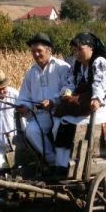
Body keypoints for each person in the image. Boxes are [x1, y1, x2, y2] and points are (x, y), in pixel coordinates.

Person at [52, 32, 106, 172]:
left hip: (105, 103)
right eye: (74, 50)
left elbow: (100, 84)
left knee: (74, 123)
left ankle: (74, 162)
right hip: (84, 100)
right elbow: (71, 83)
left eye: (80, 49)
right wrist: (66, 92)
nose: (76, 53)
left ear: (91, 48)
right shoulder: (77, 65)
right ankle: (61, 164)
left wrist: (96, 99)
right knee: (61, 120)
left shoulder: (99, 61)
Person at [17, 33, 70, 166]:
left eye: (39, 51)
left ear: (48, 50)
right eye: (33, 51)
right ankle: (52, 161)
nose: (36, 54)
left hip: (61, 112)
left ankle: (63, 163)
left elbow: (69, 88)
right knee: (31, 131)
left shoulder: (62, 67)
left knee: (58, 128)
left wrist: (53, 101)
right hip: (41, 115)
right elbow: (24, 96)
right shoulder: (31, 73)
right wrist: (23, 106)